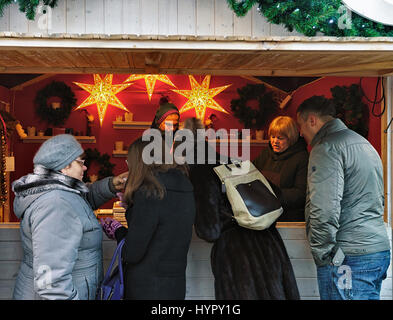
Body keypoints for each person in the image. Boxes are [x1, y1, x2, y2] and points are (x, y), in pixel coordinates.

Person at [183, 117, 300, 300]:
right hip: (271, 246)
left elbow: (209, 230)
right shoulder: (233, 162)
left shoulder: (199, 171)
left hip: (238, 257)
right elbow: (276, 196)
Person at [296, 95, 391, 300]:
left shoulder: (326, 148)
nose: (300, 132)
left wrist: (324, 256)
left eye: (301, 125)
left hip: (349, 256)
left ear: (312, 120)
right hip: (376, 250)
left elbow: (324, 209)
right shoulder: (363, 143)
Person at [12, 134, 128, 300]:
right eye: (81, 162)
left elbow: (80, 201)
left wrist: (113, 184)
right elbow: (52, 284)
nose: (85, 168)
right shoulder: (56, 204)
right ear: (64, 166)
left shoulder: (60, 192)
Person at [101, 137, 196, 300]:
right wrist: (131, 207)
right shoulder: (185, 187)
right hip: (175, 286)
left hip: (146, 288)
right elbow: (164, 230)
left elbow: (132, 253)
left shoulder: (149, 192)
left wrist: (117, 231)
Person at [253, 116, 309, 221]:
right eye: (273, 137)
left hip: (288, 218)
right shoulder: (265, 154)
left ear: (291, 138)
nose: (275, 141)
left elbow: (301, 194)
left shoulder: (302, 158)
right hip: (263, 215)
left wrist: (271, 195)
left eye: (280, 138)